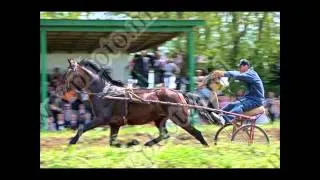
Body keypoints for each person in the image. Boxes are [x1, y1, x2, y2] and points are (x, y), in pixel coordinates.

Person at [211, 59, 265, 124]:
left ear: (246, 66)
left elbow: (238, 75)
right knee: (231, 105)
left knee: (239, 107)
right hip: (249, 99)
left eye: (240, 67)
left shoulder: (251, 73)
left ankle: (225, 119)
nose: (239, 69)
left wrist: (223, 73)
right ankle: (219, 115)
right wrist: (223, 73)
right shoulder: (247, 73)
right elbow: (237, 73)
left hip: (256, 100)